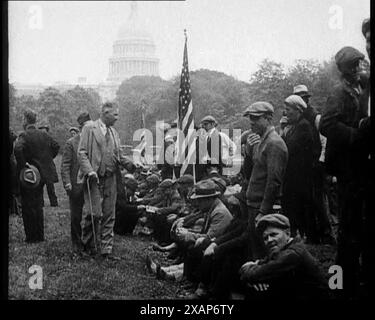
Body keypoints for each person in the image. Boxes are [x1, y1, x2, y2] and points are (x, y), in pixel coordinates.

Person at [320, 46, 370, 298]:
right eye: (355, 65)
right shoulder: (339, 92)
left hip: (359, 164)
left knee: (357, 222)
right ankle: (341, 280)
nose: (359, 68)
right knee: (349, 225)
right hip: (347, 166)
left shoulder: (361, 86)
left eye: (361, 63)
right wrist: (355, 134)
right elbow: (327, 124)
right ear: (345, 70)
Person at [77, 102, 136, 260]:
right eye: (115, 115)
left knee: (110, 214)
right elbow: (81, 153)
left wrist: (133, 165)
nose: (117, 118)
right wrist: (89, 171)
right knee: (93, 213)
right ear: (105, 112)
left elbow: (120, 155)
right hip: (94, 178)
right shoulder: (89, 128)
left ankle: (106, 250)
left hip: (111, 178)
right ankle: (86, 247)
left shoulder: (114, 132)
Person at [239, 214, 328, 300]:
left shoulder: (293, 254)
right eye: (265, 238)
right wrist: (255, 276)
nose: (269, 240)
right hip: (297, 293)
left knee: (257, 290)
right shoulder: (284, 248)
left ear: (288, 234)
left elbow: (255, 274)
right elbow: (263, 264)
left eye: (273, 234)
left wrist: (252, 273)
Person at [293, 85, 335, 244]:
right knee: (309, 199)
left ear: (307, 99)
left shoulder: (315, 117)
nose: (301, 100)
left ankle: (328, 232)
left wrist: (322, 161)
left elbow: (325, 139)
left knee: (320, 199)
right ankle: (315, 232)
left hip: (318, 163)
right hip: (306, 164)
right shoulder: (298, 118)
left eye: (303, 97)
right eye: (298, 97)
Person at [14, 110, 60, 242]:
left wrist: (24, 165)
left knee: (28, 206)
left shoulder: (24, 135)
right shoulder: (44, 134)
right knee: (38, 205)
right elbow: (56, 146)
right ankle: (40, 236)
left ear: (25, 120)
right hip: (43, 175)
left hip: (29, 176)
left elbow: (17, 149)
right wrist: (46, 159)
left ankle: (31, 237)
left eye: (22, 119)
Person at [281, 95, 317, 243]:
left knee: (301, 205)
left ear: (298, 110)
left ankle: (306, 236)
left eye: (288, 109)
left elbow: (290, 148)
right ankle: (300, 234)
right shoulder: (295, 127)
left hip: (301, 176)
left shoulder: (304, 126)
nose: (286, 113)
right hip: (295, 175)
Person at [61, 112, 91, 255]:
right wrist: (67, 182)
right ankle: (77, 245)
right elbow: (65, 165)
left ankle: (88, 242)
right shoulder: (71, 143)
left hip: (91, 184)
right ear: (81, 127)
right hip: (76, 185)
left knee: (92, 215)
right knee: (76, 216)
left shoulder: (94, 141)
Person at [37, 123, 59, 207]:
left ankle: (52, 203)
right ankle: (44, 203)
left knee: (49, 186)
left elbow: (56, 146)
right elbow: (56, 147)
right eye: (42, 129)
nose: (43, 131)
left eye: (44, 130)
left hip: (44, 165)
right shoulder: (45, 138)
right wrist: (52, 156)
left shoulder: (47, 139)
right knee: (41, 186)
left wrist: (51, 155)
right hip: (42, 165)